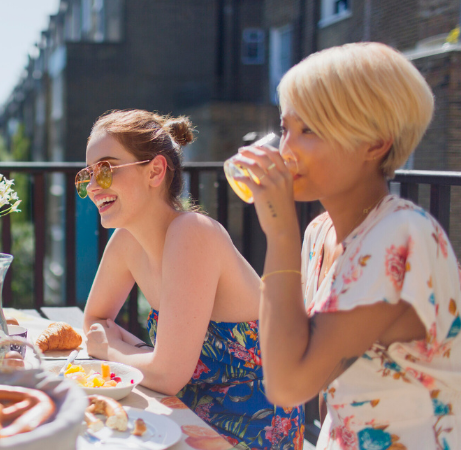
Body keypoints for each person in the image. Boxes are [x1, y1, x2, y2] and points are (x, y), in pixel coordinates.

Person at [237, 42, 461, 449]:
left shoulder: (403, 235)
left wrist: (280, 233)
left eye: (310, 130)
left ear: (375, 143)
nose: (286, 149)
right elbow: (325, 390)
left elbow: (288, 386)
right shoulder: (319, 233)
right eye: (286, 128)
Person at [82, 110, 304, 449]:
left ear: (155, 170)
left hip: (251, 427)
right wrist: (144, 355)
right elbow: (94, 321)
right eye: (88, 174)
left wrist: (112, 349)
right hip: (184, 412)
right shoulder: (127, 241)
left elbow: (166, 375)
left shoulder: (193, 233)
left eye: (106, 170)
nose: (94, 186)